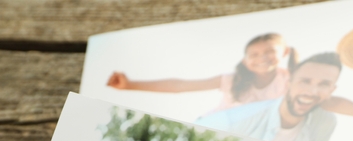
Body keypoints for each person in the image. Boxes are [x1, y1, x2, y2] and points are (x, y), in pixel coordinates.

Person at [107, 33, 297, 113]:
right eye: (254, 54)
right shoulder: (232, 80)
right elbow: (180, 86)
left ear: (284, 52)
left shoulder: (290, 79)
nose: (262, 58)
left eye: (269, 51)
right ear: (245, 61)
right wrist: (130, 85)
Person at [195, 53, 342, 141]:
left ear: (332, 90)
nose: (312, 91)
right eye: (305, 81)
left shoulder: (325, 122)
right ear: (288, 83)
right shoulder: (237, 120)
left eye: (324, 84)